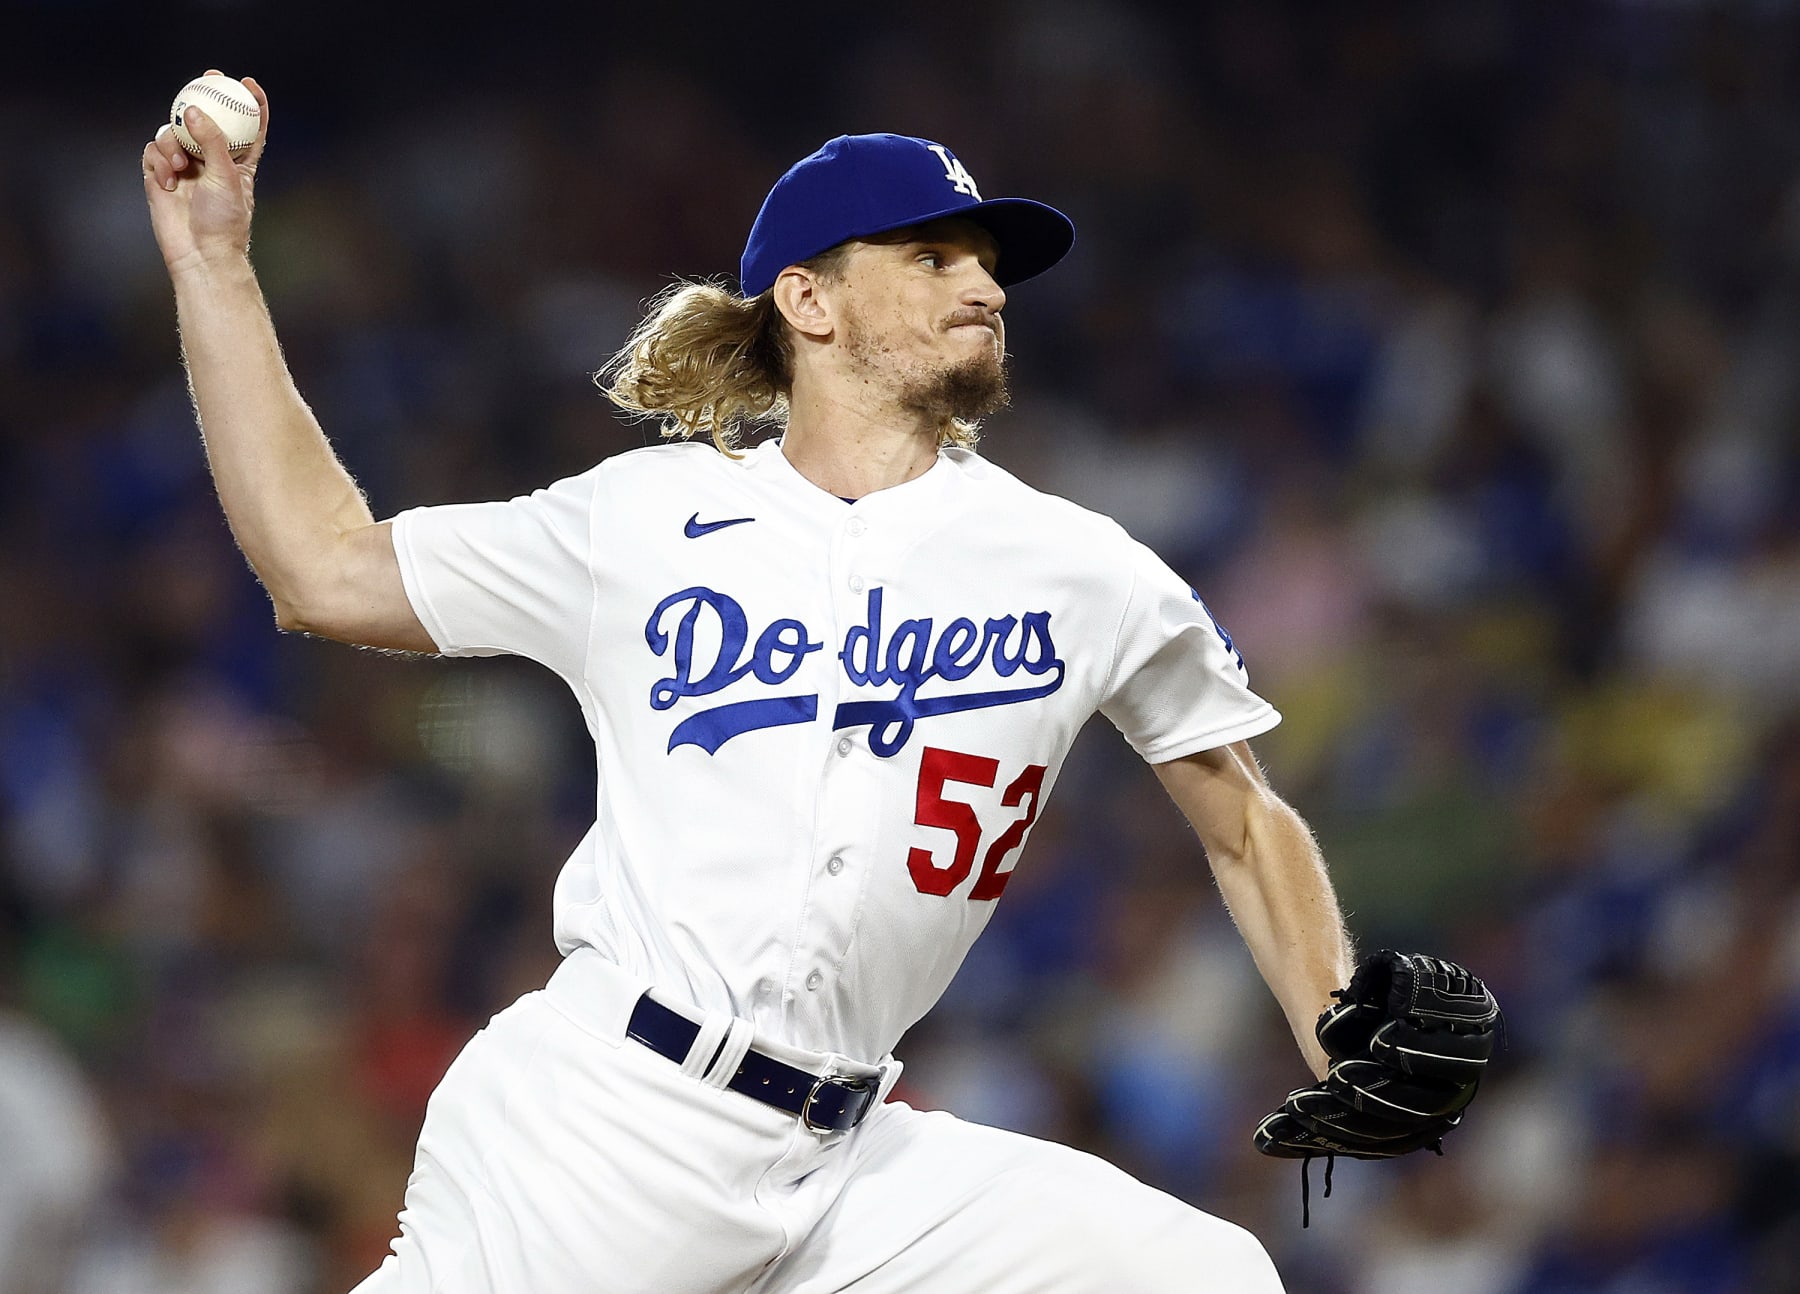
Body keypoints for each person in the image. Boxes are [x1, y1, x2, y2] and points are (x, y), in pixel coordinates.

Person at [143, 73, 1355, 1293]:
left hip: (851, 1166)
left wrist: (1342, 1038)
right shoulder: (647, 517)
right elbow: (321, 569)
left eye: (986, 263)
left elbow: (1248, 823)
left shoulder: (1086, 569)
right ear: (808, 298)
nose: (985, 286)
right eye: (932, 257)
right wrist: (215, 267)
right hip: (609, 1129)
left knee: (1202, 1276)